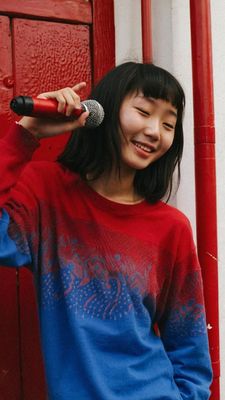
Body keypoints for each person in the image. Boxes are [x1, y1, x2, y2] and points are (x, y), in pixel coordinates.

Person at [0, 62, 212, 399]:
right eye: (143, 111)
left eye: (169, 123)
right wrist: (27, 133)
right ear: (105, 110)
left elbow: (189, 343)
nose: (155, 131)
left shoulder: (172, 228)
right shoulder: (46, 192)